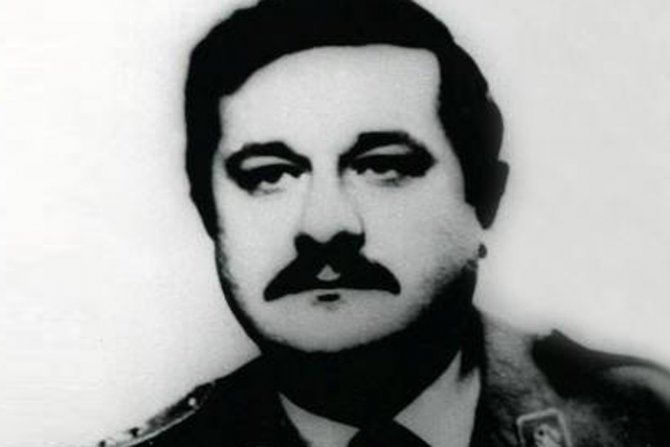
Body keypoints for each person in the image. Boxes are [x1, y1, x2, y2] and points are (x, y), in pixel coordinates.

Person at [94, 0, 670, 446]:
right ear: (211, 214)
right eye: (269, 175)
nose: (324, 225)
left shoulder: (643, 423)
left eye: (381, 167)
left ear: (484, 199)